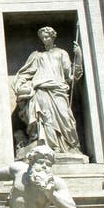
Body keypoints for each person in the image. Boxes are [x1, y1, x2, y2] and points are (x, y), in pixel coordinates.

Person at [13, 26, 83, 155]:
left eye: (47, 37)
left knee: (66, 118)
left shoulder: (62, 53)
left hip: (58, 89)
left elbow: (71, 76)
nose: (45, 39)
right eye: (42, 37)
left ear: (53, 37)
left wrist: (78, 55)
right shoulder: (37, 55)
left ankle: (70, 146)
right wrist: (20, 83)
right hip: (41, 90)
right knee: (46, 119)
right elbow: (26, 72)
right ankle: (52, 147)